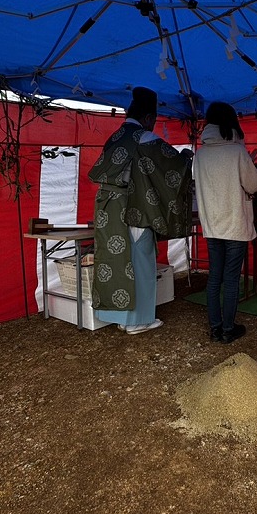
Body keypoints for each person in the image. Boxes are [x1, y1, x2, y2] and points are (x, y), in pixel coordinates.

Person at [88, 87, 193, 334]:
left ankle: (121, 317)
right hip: (132, 207)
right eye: (153, 121)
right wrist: (186, 157)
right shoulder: (144, 138)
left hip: (107, 208)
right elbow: (173, 166)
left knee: (115, 260)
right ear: (148, 118)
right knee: (140, 261)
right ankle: (137, 321)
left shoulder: (114, 137)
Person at [194, 101, 257, 344]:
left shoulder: (201, 153)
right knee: (231, 278)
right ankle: (228, 329)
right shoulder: (237, 151)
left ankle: (215, 329)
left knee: (215, 277)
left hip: (212, 224)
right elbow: (255, 184)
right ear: (231, 122)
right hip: (234, 223)